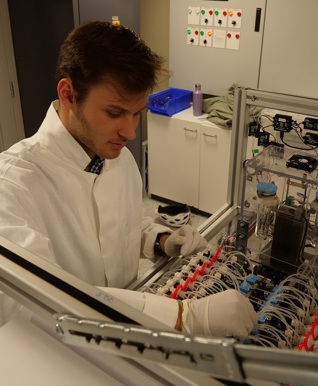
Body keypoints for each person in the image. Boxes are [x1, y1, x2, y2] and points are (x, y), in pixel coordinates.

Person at [0, 21, 257, 336]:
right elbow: (36, 302)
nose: (130, 132)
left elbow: (128, 226)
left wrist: (161, 239)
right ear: (68, 94)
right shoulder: (12, 185)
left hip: (132, 337)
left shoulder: (116, 158)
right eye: (114, 113)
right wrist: (181, 316)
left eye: (136, 113)